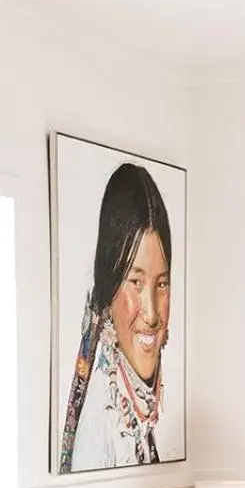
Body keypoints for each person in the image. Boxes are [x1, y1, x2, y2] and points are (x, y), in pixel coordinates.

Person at [59, 163, 174, 472]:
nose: (151, 314)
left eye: (162, 284)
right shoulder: (101, 424)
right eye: (135, 283)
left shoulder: (139, 408)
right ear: (109, 292)